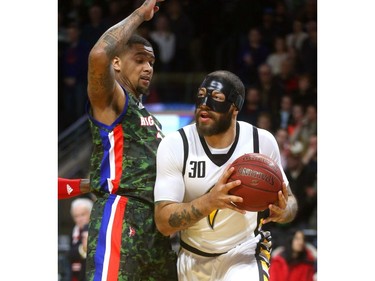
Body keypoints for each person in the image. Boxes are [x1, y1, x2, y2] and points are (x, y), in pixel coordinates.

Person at [154, 70, 298, 280]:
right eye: (201, 95)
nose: (204, 103)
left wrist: (284, 211)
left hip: (245, 253)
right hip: (193, 256)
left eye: (217, 99)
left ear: (235, 107)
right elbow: (163, 222)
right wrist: (210, 202)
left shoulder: (261, 141)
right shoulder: (176, 144)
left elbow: (291, 202)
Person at [84, 0, 177, 280]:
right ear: (117, 63)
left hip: (157, 224)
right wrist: (140, 14)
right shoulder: (112, 99)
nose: (148, 67)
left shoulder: (149, 116)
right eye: (139, 60)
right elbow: (99, 53)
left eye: (151, 61)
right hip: (122, 213)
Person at [69, 198, 93, 281]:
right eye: (76, 216)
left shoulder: (97, 230)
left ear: (91, 213)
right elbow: (71, 253)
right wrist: (82, 248)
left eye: (83, 214)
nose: (79, 219)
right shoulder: (74, 231)